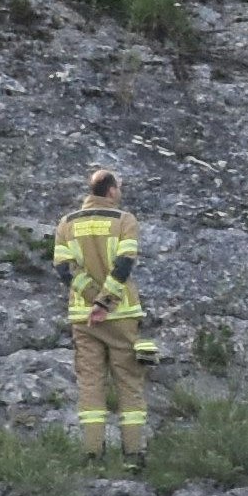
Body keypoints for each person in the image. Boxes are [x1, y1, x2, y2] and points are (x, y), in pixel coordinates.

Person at [53, 169, 154, 465]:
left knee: (90, 384)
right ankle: (133, 456)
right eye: (119, 188)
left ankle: (92, 454)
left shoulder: (67, 224)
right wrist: (105, 302)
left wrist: (91, 300)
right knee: (129, 383)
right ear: (111, 191)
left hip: (83, 319)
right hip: (121, 315)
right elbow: (124, 264)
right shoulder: (124, 220)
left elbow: (64, 269)